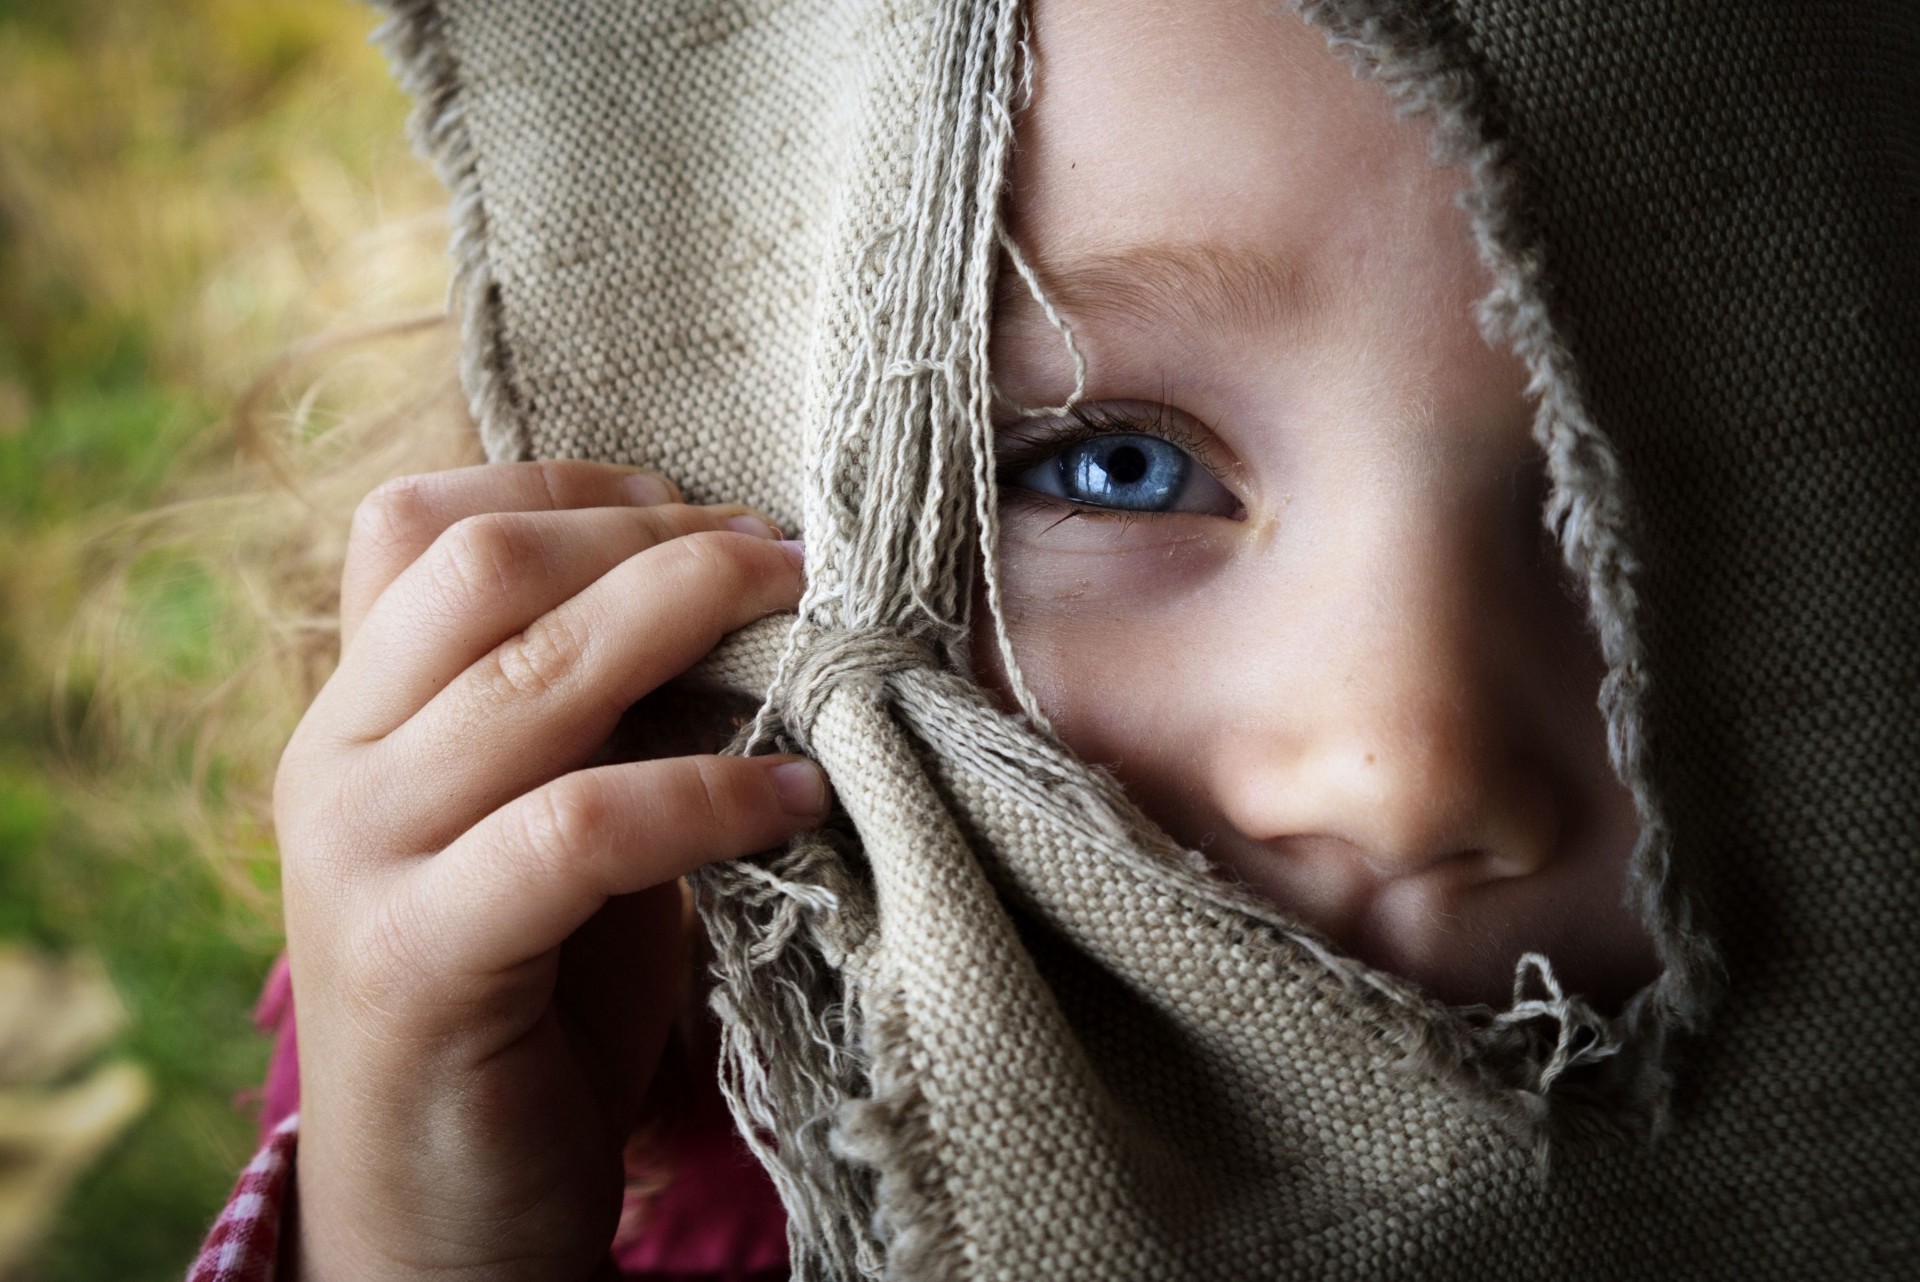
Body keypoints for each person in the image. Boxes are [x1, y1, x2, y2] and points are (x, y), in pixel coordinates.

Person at [187, 0, 1914, 1278]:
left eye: (1643, 521)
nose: (1410, 760)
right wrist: (414, 1238)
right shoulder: (569, 1055)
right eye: (1114, 463)